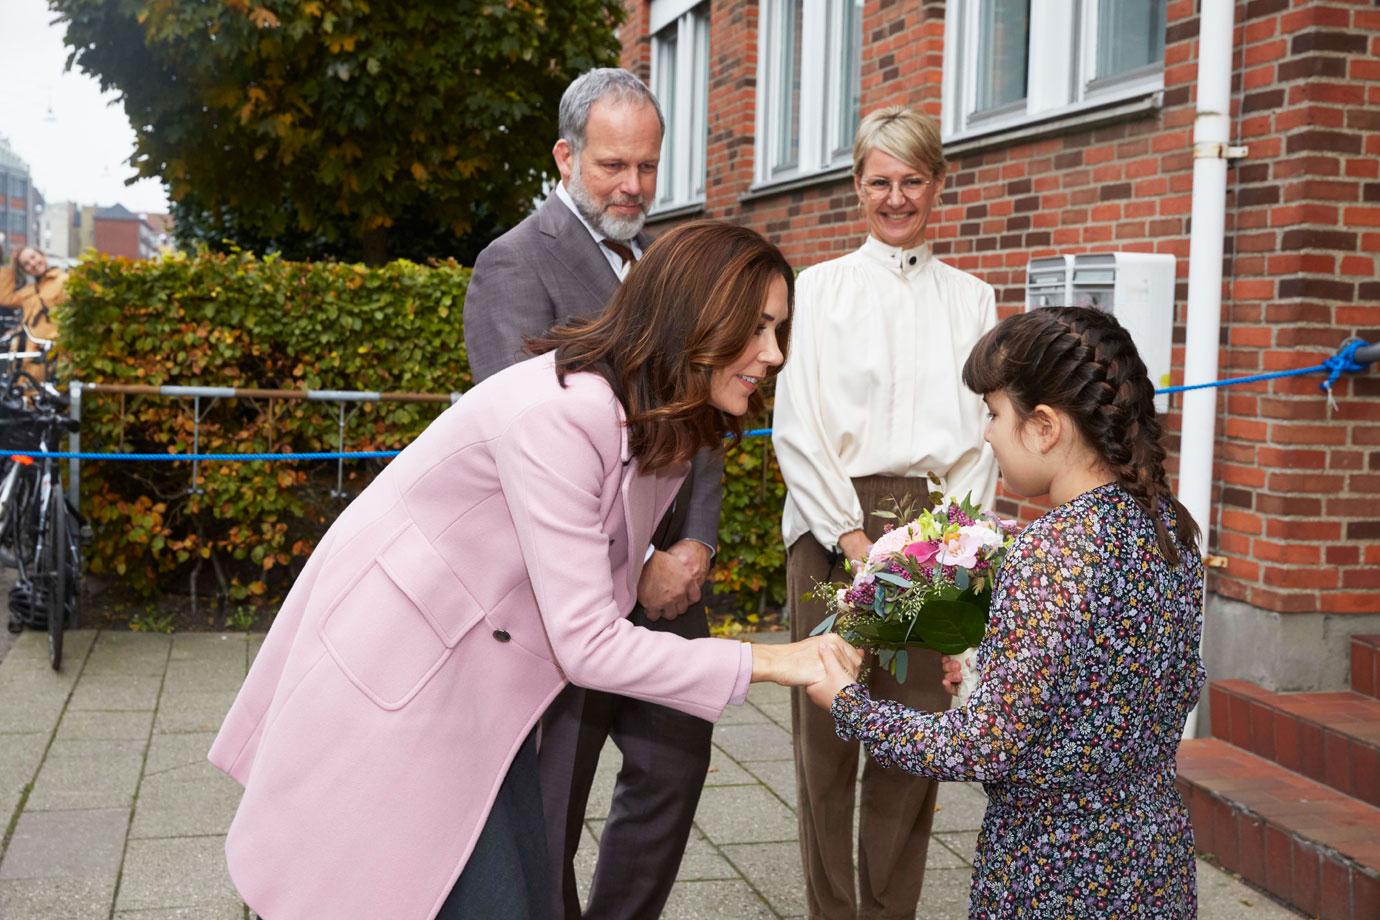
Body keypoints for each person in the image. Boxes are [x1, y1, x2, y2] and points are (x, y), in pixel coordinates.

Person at [210, 220, 862, 920]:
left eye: (779, 331)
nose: (772, 354)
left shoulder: (657, 420)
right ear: (696, 318)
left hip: (482, 684)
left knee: (514, 893)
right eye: (757, 328)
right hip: (403, 672)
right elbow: (588, 642)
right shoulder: (563, 414)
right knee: (439, 890)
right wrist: (778, 661)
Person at [807, 306, 1206, 919]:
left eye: (994, 414)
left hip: (1054, 866)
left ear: (1045, 426)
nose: (987, 434)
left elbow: (984, 746)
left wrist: (848, 703)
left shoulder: (1051, 552)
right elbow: (1147, 687)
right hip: (1150, 854)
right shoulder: (1171, 530)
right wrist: (992, 677)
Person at [463, 68, 724, 920]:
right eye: (614, 165)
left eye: (647, 166)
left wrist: (696, 545)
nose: (633, 186)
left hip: (672, 584)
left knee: (677, 770)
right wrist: (639, 558)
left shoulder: (667, 262)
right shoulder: (513, 264)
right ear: (566, 155)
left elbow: (706, 412)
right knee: (553, 809)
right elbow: (531, 449)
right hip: (568, 593)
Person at [771, 105, 998, 918]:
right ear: (856, 186)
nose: (895, 198)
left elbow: (981, 444)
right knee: (826, 747)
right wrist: (853, 539)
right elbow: (796, 427)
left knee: (913, 744)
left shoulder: (974, 299)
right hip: (833, 530)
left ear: (938, 184)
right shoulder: (818, 289)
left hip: (936, 535)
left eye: (911, 181)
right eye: (879, 182)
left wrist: (958, 558)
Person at [6, 247, 65, 380]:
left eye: (33, 257)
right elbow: (5, 297)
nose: (32, 264)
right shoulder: (29, 290)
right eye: (26, 264)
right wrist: (12, 268)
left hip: (48, 358)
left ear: (42, 254)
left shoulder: (63, 281)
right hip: (24, 359)